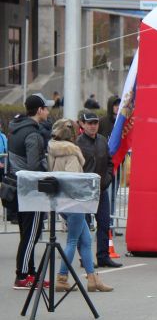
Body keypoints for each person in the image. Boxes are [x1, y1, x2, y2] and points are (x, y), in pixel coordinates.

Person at [47, 119, 113, 292]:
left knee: (86, 240)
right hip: (73, 201)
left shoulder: (53, 150)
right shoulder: (71, 154)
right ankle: (62, 278)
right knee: (73, 240)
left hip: (60, 200)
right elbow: (73, 181)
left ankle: (92, 278)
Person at [8, 95, 52, 288]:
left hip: (17, 187)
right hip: (31, 190)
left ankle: (31, 273)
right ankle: (22, 275)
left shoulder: (15, 129)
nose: (48, 112)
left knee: (27, 233)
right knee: (31, 234)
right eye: (46, 108)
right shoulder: (33, 134)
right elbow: (34, 166)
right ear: (39, 110)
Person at [77, 110, 121, 268]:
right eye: (89, 123)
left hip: (101, 190)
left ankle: (103, 257)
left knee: (104, 223)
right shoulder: (78, 143)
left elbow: (110, 162)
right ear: (82, 124)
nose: (93, 126)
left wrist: (107, 179)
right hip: (84, 191)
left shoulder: (102, 140)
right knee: (83, 226)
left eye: (95, 123)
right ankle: (85, 258)